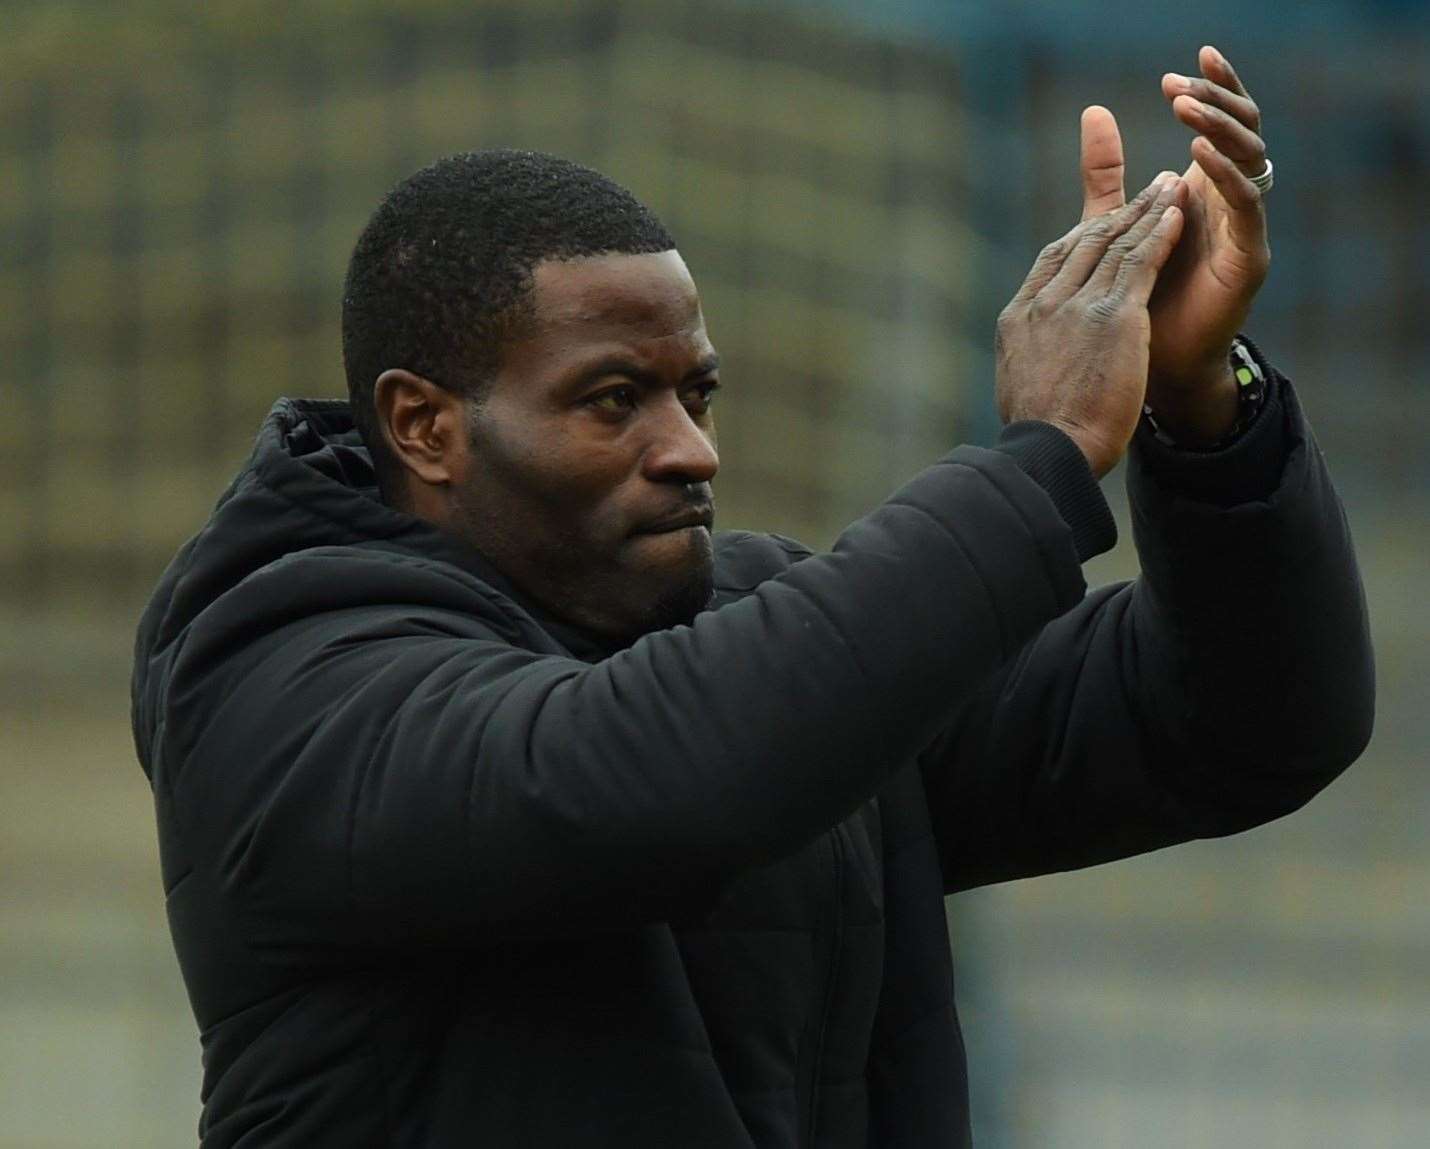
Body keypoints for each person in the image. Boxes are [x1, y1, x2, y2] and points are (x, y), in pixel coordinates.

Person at [132, 46, 1372, 1148]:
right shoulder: (279, 675)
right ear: (424, 425)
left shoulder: (764, 639)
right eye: (615, 399)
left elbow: (1248, 725)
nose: (691, 448)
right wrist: (1039, 459)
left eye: (697, 394)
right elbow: (647, 785)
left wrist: (1199, 404)